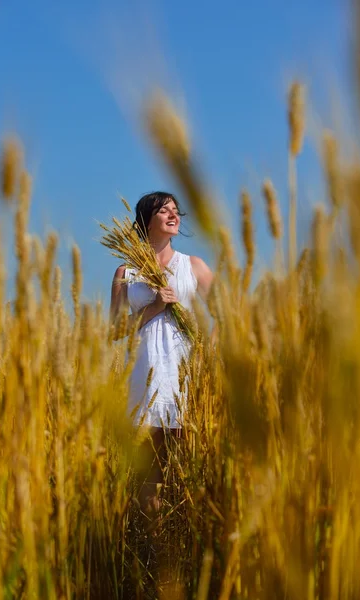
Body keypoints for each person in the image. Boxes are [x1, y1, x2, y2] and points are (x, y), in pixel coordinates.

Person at [109, 191, 214, 523]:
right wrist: (155, 307)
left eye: (175, 210)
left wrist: (208, 352)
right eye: (163, 210)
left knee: (191, 459)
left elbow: (230, 315)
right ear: (146, 220)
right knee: (150, 470)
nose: (173, 215)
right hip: (145, 374)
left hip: (185, 372)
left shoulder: (194, 266)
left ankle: (191, 540)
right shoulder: (126, 272)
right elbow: (115, 332)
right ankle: (158, 551)